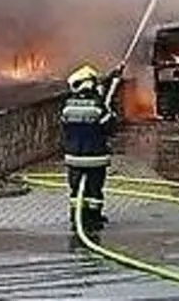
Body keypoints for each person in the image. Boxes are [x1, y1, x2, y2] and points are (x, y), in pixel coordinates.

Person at [62, 62, 124, 231]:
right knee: (94, 191)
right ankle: (94, 220)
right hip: (95, 157)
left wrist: (113, 75)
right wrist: (111, 113)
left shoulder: (67, 106)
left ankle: (76, 217)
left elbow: (66, 127)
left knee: (76, 191)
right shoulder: (98, 106)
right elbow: (109, 128)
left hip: (73, 157)